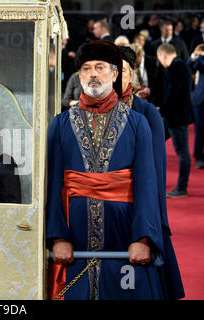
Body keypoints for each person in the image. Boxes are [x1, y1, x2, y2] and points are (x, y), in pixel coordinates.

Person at [47, 40, 168, 300]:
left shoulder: (138, 123)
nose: (92, 73)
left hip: (125, 241)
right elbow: (53, 182)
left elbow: (147, 183)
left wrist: (143, 238)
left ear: (115, 74)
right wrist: (57, 237)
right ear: (79, 75)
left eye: (100, 67)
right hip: (73, 243)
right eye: (86, 68)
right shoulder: (60, 124)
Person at [119, 46, 184, 299]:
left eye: (122, 71)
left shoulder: (146, 113)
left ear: (132, 75)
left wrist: (152, 225)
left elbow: (155, 173)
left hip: (141, 205)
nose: (115, 77)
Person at [157, 44, 194, 198]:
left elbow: (173, 94)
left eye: (160, 59)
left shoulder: (176, 68)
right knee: (156, 142)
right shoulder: (181, 66)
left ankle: (181, 187)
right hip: (174, 116)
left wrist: (161, 109)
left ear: (164, 56)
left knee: (182, 152)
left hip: (176, 117)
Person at [188, 43, 204, 169]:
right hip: (201, 99)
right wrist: (194, 55)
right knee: (199, 128)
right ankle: (199, 157)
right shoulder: (201, 58)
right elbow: (189, 69)